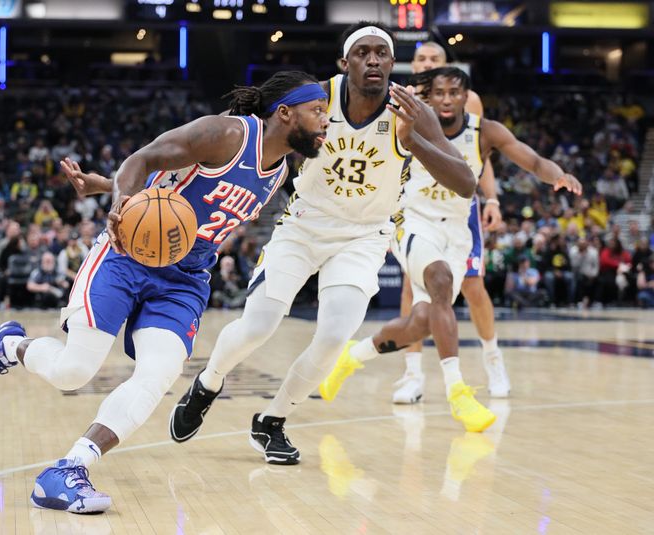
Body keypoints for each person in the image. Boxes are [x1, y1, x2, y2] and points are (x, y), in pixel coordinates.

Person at [0, 70, 330, 513]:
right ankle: (8, 346)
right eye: (317, 111)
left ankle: (70, 468)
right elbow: (142, 161)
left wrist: (100, 182)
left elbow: (174, 202)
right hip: (127, 255)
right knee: (74, 371)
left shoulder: (279, 172)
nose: (326, 121)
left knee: (160, 373)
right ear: (284, 113)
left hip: (186, 277)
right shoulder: (226, 134)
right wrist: (116, 202)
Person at [169, 22, 477, 465]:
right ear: (345, 62)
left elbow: (465, 183)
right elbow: (261, 135)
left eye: (382, 54)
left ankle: (271, 421)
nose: (373, 60)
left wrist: (416, 143)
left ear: (393, 63)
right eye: (363, 52)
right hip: (304, 226)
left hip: (364, 237)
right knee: (258, 325)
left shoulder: (411, 111)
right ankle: (209, 382)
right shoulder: (316, 98)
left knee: (334, 337)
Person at [320, 67, 581, 431]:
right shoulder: (412, 119)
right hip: (411, 221)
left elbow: (533, 160)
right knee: (440, 281)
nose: (445, 99)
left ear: (465, 96)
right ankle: (458, 392)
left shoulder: (484, 132)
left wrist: (559, 176)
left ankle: (354, 355)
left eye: (453, 92)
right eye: (438, 92)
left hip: (456, 233)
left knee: (423, 323)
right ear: (430, 96)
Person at [388, 41, 512, 403]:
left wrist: (491, 199)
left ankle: (493, 361)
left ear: (448, 65)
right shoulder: (403, 99)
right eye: (422, 59)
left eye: (435, 59)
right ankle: (413, 376)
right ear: (412, 65)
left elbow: (480, 154)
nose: (428, 64)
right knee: (413, 288)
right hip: (416, 206)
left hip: (459, 206)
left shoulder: (467, 101)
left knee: (473, 286)